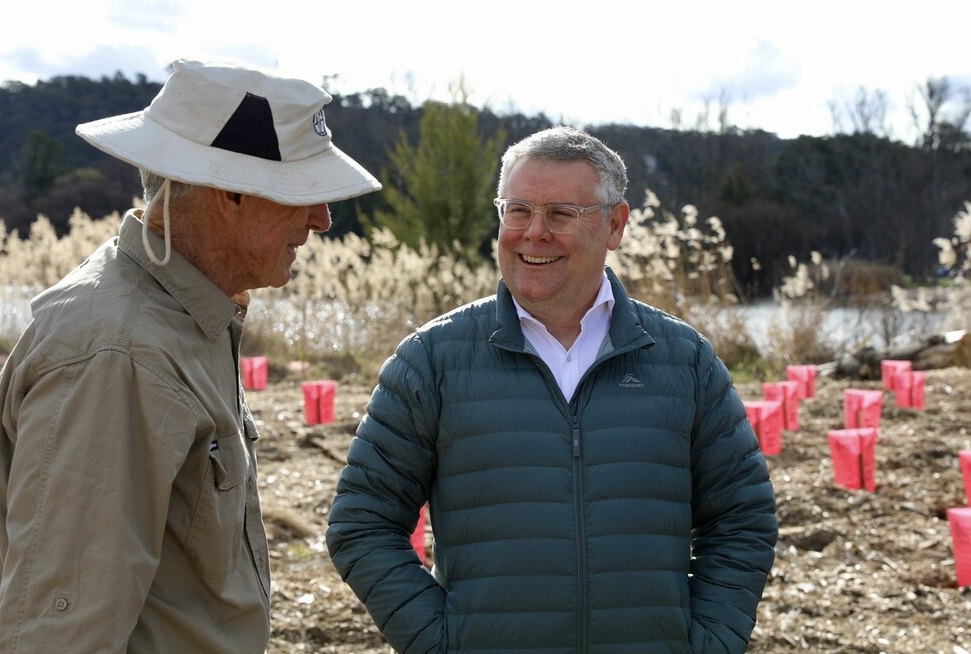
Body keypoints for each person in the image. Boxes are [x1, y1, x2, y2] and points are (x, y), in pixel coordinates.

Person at [0, 58, 381, 652]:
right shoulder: (122, 353)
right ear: (229, 193)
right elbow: (58, 631)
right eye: (306, 194)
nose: (322, 220)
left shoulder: (183, 317)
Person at [326, 126, 777, 653]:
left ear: (615, 224)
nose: (534, 232)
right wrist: (441, 642)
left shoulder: (684, 360)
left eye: (561, 214)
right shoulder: (431, 360)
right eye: (518, 210)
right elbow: (362, 523)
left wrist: (708, 643)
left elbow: (742, 519)